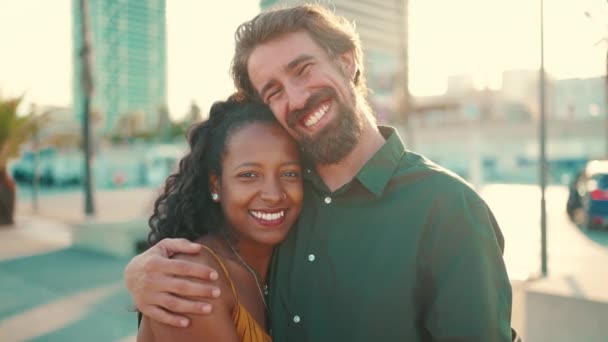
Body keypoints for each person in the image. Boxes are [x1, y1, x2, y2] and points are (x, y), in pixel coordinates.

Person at [126, 4, 517, 341]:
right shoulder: (280, 206)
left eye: (303, 69)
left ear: (347, 61)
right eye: (274, 91)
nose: (296, 97)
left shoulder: (449, 210)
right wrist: (140, 275)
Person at [136, 96, 303, 341]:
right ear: (216, 185)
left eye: (289, 173)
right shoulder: (194, 279)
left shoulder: (285, 263)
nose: (274, 194)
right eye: (249, 175)